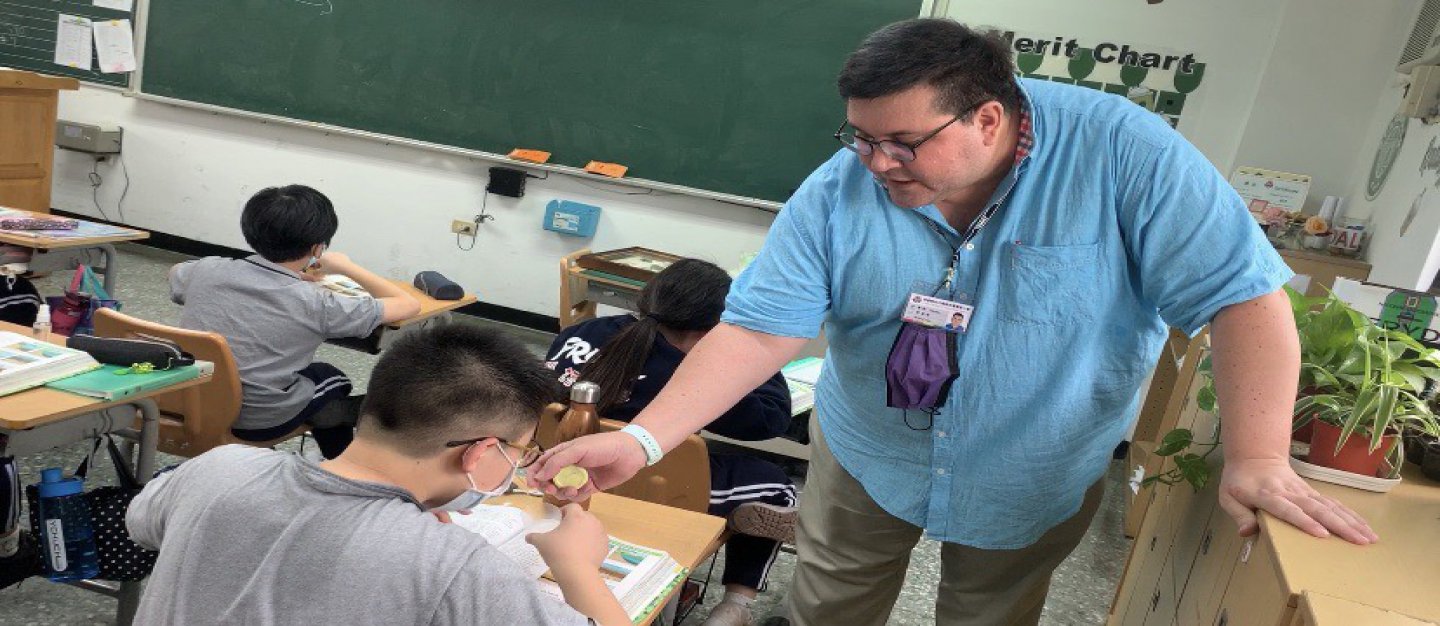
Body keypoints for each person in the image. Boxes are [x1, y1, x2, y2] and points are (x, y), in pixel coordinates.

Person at [532, 18, 1376, 626]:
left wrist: (1259, 458)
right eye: (860, 138)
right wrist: (643, 440)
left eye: (902, 142)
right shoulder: (841, 186)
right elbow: (759, 328)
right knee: (830, 603)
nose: (876, 163)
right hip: (870, 450)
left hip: (1035, 461)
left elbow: (1241, 296)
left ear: (988, 119)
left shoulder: (1126, 154)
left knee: (991, 614)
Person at [124, 324, 631, 626]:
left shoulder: (220, 466)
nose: (519, 462)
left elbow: (140, 521)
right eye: (519, 450)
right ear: (480, 453)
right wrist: (577, 565)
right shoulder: (450, 563)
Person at [545, 259, 797, 626]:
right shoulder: (697, 374)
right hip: (653, 482)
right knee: (778, 488)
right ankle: (736, 605)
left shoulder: (582, 331)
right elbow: (771, 418)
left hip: (564, 473)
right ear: (716, 326)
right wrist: (756, 348)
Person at [169, 185, 419, 458]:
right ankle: (338, 461)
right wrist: (345, 266)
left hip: (184, 401)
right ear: (317, 248)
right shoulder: (317, 304)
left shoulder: (206, 269)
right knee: (331, 377)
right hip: (255, 421)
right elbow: (408, 305)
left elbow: (175, 273)